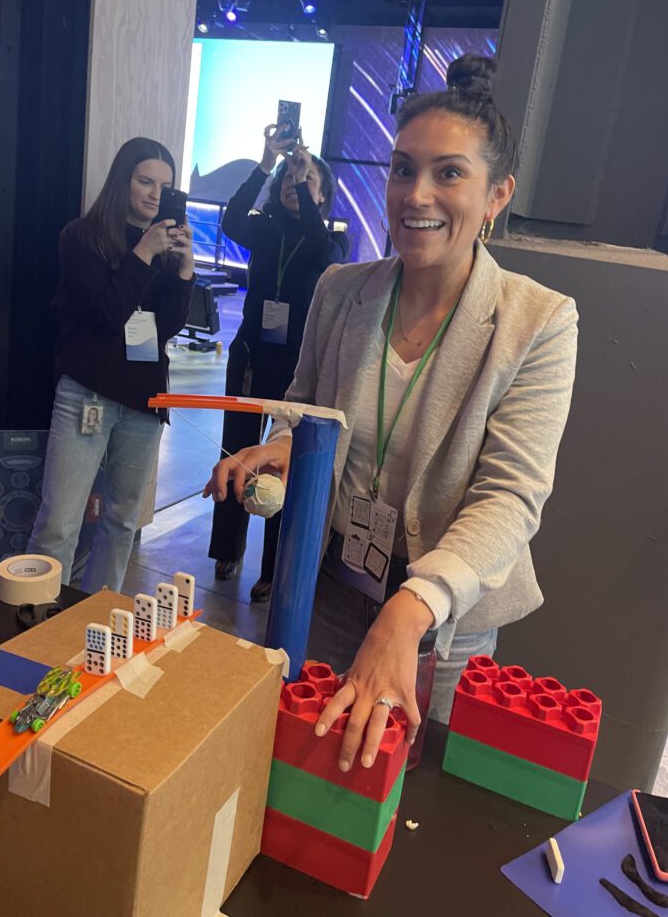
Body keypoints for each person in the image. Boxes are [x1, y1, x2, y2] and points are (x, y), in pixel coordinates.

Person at [205, 55, 578, 771]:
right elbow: (305, 411)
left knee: (402, 797)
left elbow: (511, 499)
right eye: (403, 169)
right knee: (303, 772)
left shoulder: (538, 322)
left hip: (439, 621)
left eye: (448, 173)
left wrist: (411, 610)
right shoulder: (342, 291)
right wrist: (283, 447)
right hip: (329, 588)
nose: (417, 194)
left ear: (498, 193)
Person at [28, 137, 195, 592]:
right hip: (88, 395)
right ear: (123, 180)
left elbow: (166, 328)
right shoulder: (81, 238)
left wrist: (183, 271)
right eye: (145, 181)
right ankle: (35, 624)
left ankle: (94, 618)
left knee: (122, 524)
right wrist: (142, 253)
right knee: (59, 523)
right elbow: (107, 314)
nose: (156, 194)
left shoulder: (162, 248)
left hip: (144, 400)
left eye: (166, 185)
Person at [208, 124, 348, 603]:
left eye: (307, 181)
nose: (295, 185)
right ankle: (226, 548)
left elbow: (317, 242)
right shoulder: (264, 228)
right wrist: (266, 163)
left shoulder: (328, 245)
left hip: (295, 372)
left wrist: (305, 179)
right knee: (235, 452)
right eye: (288, 181)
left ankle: (273, 565)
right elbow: (230, 222)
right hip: (249, 358)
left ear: (323, 197)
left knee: (279, 464)